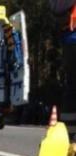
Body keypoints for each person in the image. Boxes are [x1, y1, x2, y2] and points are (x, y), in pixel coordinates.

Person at [49, 0, 76, 139]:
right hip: (71, 40)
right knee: (72, 87)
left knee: (71, 87)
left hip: (70, 41)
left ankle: (70, 135)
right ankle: (71, 135)